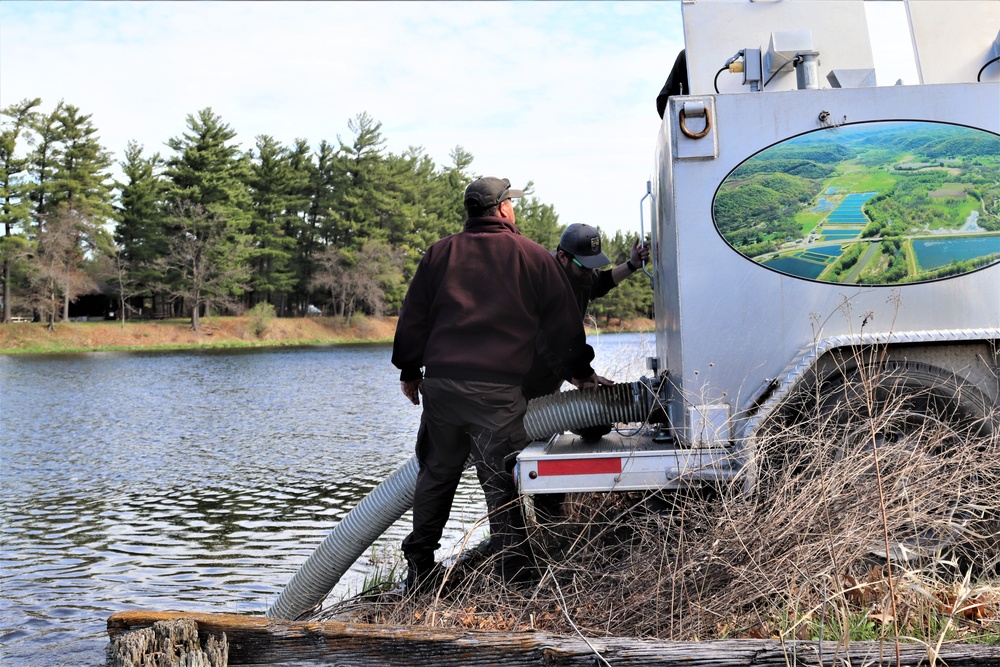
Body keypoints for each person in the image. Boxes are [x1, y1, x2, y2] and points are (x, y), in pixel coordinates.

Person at [392, 176, 601, 589]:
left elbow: (414, 316)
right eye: (513, 203)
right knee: (500, 484)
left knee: (436, 474)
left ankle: (420, 568)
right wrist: (582, 374)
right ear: (503, 209)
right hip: (496, 394)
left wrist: (410, 371)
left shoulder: (439, 254)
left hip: (442, 388)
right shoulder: (532, 256)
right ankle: (517, 578)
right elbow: (563, 330)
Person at [521, 223, 651, 402]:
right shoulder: (547, 283)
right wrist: (580, 376)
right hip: (524, 381)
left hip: (551, 379)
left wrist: (632, 265)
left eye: (593, 265)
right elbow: (547, 345)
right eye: (585, 267)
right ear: (562, 256)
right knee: (533, 425)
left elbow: (600, 282)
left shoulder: (578, 273)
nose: (590, 272)